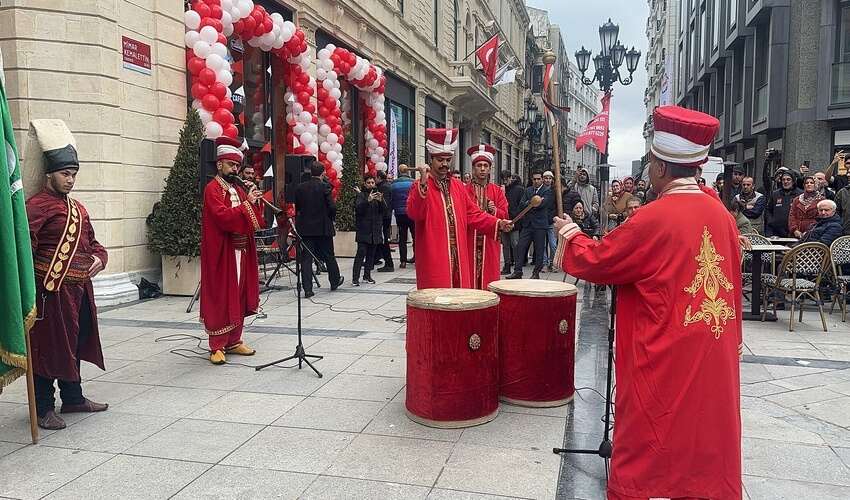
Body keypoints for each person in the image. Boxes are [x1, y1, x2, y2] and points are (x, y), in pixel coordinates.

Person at [553, 105, 742, 500]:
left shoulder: (655, 216)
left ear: (659, 166)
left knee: (650, 429)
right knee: (703, 431)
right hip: (711, 345)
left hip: (665, 347)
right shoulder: (721, 215)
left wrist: (569, 233)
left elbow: (601, 260)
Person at [25, 122, 109, 430]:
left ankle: (73, 397)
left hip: (80, 292)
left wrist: (100, 258)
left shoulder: (79, 209)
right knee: (47, 348)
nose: (70, 180)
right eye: (65, 174)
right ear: (50, 174)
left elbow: (94, 243)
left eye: (73, 174)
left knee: (73, 344)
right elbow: (25, 252)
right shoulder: (35, 206)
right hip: (49, 293)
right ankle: (44, 407)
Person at [407, 128, 512, 288]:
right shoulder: (421, 185)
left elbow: (474, 214)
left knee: (460, 297)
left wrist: (498, 223)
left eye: (448, 160)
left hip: (460, 254)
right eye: (440, 160)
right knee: (437, 297)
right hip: (436, 254)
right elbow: (415, 213)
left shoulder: (457, 186)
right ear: (431, 159)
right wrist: (422, 183)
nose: (444, 164)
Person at [200, 136, 264, 365]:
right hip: (223, 252)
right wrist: (247, 204)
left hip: (241, 251)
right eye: (231, 165)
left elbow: (254, 222)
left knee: (238, 293)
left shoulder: (237, 188)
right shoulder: (212, 189)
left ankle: (234, 341)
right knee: (221, 295)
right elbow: (222, 218)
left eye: (237, 165)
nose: (235, 169)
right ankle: (217, 345)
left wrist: (254, 202)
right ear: (220, 165)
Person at [293, 161, 344, 298]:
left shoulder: (300, 188)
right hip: (322, 227)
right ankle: (334, 281)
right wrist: (330, 218)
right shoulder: (325, 187)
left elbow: (298, 207)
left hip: (306, 228)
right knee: (329, 255)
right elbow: (332, 207)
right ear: (323, 173)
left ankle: (308, 289)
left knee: (306, 259)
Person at [465, 144, 508, 289]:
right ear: (473, 168)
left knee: (488, 279)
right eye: (479, 165)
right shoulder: (464, 190)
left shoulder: (497, 191)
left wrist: (495, 211)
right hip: (469, 239)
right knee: (468, 277)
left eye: (485, 165)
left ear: (489, 168)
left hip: (489, 240)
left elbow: (505, 214)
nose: (482, 168)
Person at [507, 170, 554, 280]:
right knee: (520, 246)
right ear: (532, 180)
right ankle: (518, 271)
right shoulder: (527, 190)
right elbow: (522, 204)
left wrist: (534, 203)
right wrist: (531, 202)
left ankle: (536, 272)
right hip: (527, 225)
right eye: (534, 179)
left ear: (542, 179)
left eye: (538, 179)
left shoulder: (547, 191)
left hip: (540, 225)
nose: (536, 181)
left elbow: (543, 204)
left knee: (539, 249)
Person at [353, 174, 387, 286]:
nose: (371, 184)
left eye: (372, 182)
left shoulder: (378, 195)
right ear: (364, 184)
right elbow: (358, 210)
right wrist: (367, 200)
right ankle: (355, 278)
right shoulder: (361, 195)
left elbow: (385, 211)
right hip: (364, 230)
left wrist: (381, 201)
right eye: (368, 183)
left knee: (371, 255)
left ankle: (367, 276)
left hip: (375, 230)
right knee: (361, 253)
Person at [390, 164, 415, 268]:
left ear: (400, 172)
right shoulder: (413, 183)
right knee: (415, 237)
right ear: (407, 172)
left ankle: (403, 261)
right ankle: (416, 258)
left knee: (402, 238)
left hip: (399, 214)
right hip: (412, 213)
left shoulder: (393, 184)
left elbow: (391, 199)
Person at [765, 172, 802, 237]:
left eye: (788, 179)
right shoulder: (775, 194)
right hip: (776, 232)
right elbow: (768, 210)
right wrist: (771, 221)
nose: (785, 181)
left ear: (793, 181)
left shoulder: (800, 194)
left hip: (793, 232)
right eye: (783, 179)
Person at [502, 172, 525, 274]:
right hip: (503, 220)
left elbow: (521, 205)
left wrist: (516, 218)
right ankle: (507, 265)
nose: (505, 181)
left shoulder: (519, 189)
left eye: (507, 178)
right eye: (503, 179)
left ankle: (517, 266)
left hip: (514, 221)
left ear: (511, 178)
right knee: (505, 244)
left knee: (515, 244)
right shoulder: (502, 190)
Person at [372, 170, 394, 272]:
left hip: (384, 217)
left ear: (379, 178)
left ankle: (389, 263)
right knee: (382, 239)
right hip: (386, 216)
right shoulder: (387, 186)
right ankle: (376, 258)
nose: (374, 180)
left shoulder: (383, 187)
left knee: (384, 239)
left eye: (375, 178)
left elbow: (384, 204)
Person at [542, 170, 558, 271]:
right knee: (542, 245)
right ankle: (544, 263)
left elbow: (557, 205)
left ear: (552, 180)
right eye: (546, 178)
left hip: (551, 221)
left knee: (553, 245)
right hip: (542, 221)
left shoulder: (555, 191)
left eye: (549, 178)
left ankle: (552, 263)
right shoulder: (540, 190)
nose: (548, 180)